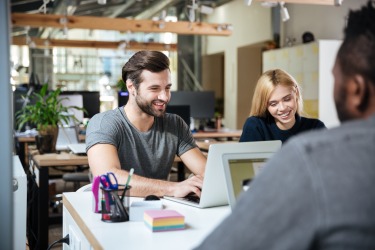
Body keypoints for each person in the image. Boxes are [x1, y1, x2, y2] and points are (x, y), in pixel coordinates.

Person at [195, 1, 375, 249]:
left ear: (356, 89)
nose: (282, 107)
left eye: (335, 78)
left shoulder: (307, 154)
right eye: (273, 103)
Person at [86, 51, 206, 198]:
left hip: (159, 212)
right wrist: (173, 188)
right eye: (154, 89)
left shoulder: (175, 124)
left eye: (167, 88)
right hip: (116, 212)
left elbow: (205, 172)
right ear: (131, 87)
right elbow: (107, 180)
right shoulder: (104, 123)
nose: (164, 97)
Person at [240, 68, 326, 143]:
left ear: (296, 93)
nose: (282, 108)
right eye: (273, 104)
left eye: (287, 99)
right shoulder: (255, 126)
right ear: (264, 105)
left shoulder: (316, 128)